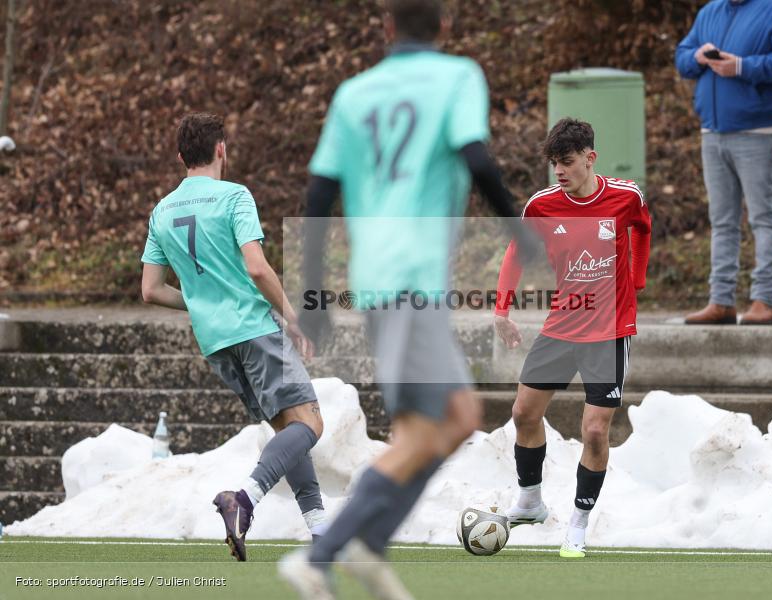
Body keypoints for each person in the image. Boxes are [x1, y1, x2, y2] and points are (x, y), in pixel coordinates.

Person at [277, 1, 538, 598]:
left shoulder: (353, 93)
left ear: (387, 28)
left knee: (458, 418)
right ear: (444, 27)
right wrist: (517, 228)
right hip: (410, 283)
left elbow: (318, 195)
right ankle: (323, 555)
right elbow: (476, 158)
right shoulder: (458, 76)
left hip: (379, 281)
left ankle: (367, 546)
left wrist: (313, 293)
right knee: (425, 433)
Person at [140, 113, 326, 562]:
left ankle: (321, 530)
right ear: (221, 149)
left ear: (181, 157)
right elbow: (257, 267)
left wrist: (200, 303)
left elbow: (150, 290)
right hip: (254, 327)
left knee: (288, 430)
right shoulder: (234, 196)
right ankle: (243, 498)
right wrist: (292, 317)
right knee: (310, 424)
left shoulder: (162, 211)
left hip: (215, 342)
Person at [493, 118, 651, 558]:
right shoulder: (542, 206)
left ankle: (578, 524)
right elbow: (516, 252)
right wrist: (502, 309)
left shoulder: (626, 196)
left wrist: (637, 278)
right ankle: (530, 502)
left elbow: (643, 228)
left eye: (566, 162)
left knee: (595, 431)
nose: (559, 171)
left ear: (590, 158)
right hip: (562, 325)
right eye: (554, 163)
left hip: (609, 332)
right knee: (523, 413)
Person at [675, 0, 772, 325]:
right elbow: (682, 58)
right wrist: (696, 57)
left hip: (757, 131)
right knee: (722, 221)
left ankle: (764, 300)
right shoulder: (709, 12)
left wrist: (743, 67)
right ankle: (721, 301)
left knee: (763, 218)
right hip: (712, 131)